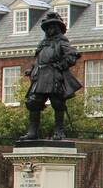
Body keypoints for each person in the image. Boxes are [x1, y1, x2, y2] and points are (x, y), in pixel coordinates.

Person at [20, 11, 82, 141]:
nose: (49, 29)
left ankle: (59, 130)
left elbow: (72, 55)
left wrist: (61, 65)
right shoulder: (42, 44)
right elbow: (39, 60)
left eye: (52, 26)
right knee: (33, 102)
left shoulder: (62, 42)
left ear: (57, 28)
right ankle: (33, 131)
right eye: (47, 27)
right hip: (40, 76)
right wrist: (31, 70)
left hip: (53, 76)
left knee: (57, 102)